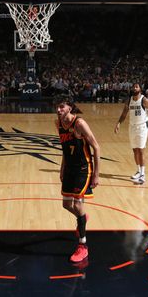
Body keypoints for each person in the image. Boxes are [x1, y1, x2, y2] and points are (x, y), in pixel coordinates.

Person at [56, 97, 100, 263]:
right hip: (69, 168)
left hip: (83, 169)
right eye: (57, 107)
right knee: (66, 204)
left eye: (62, 106)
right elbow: (65, 148)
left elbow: (96, 146)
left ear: (70, 107)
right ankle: (82, 218)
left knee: (78, 204)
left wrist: (96, 174)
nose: (58, 110)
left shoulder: (79, 123)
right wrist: (62, 168)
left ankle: (83, 246)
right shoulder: (58, 124)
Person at [114, 83, 148, 184]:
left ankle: (143, 174)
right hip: (132, 127)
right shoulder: (129, 100)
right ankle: (138, 171)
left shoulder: (144, 100)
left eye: (137, 86)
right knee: (135, 150)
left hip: (142, 127)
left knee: (141, 150)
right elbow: (124, 114)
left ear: (140, 89)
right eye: (133, 87)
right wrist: (118, 123)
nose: (134, 88)